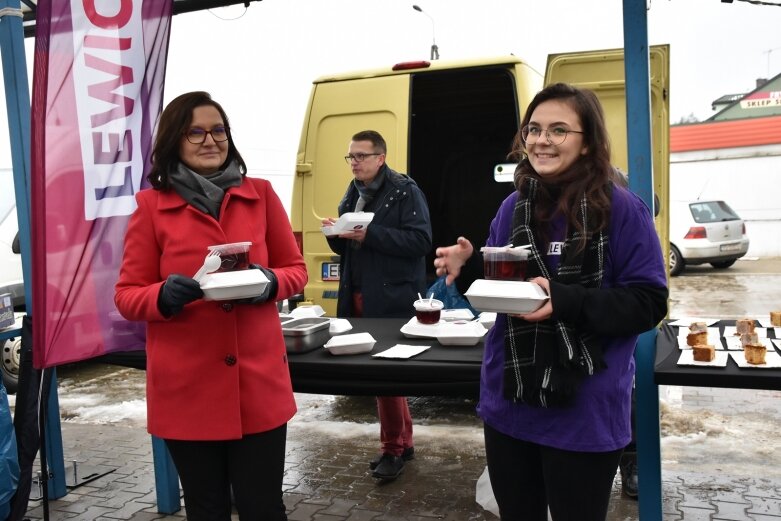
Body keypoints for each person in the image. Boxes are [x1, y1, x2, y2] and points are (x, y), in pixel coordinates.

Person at [433, 83, 668, 520]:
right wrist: (466, 265)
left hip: (585, 408)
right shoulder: (512, 208)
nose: (541, 140)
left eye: (559, 130)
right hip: (511, 401)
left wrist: (565, 301)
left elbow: (647, 303)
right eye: (534, 129)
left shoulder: (621, 210)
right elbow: (506, 288)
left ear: (588, 142)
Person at [114, 91, 307, 520]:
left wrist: (267, 282)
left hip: (258, 387)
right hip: (187, 392)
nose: (210, 140)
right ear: (174, 141)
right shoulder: (150, 207)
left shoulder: (260, 194)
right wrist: (162, 295)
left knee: (263, 508)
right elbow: (127, 295)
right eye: (195, 132)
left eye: (218, 130)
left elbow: (295, 269)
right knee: (206, 510)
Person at [322, 130, 432, 481]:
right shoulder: (352, 192)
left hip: (392, 296)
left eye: (360, 156)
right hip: (358, 293)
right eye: (350, 157)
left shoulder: (404, 190)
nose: (354, 162)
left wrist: (370, 235)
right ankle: (406, 442)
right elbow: (350, 250)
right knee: (387, 375)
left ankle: (392, 450)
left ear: (380, 158)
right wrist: (337, 235)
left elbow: (420, 241)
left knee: (385, 375)